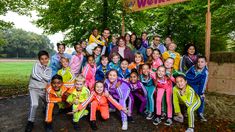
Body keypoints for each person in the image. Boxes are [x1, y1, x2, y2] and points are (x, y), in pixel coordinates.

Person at [25, 50, 52, 132]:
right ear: (39, 60)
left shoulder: (49, 69)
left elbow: (48, 78)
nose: (44, 60)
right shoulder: (36, 65)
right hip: (33, 89)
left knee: (48, 103)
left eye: (46, 58)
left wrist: (40, 76)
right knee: (34, 104)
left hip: (43, 90)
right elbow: (34, 74)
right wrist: (42, 78)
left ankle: (48, 120)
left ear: (48, 58)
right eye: (42, 59)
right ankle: (30, 122)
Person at [186, 56, 208, 122]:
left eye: (202, 62)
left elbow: (203, 84)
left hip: (196, 85)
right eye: (198, 62)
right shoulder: (193, 67)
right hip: (188, 84)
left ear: (205, 63)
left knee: (201, 97)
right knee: (189, 95)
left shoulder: (205, 72)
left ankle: (200, 113)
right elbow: (186, 74)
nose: (200, 63)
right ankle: (187, 111)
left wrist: (202, 93)